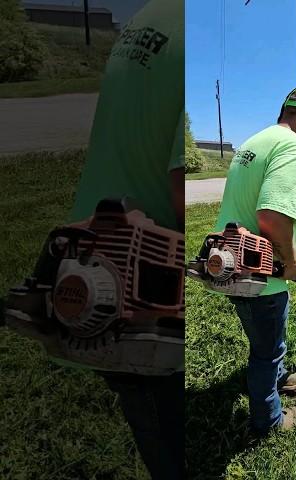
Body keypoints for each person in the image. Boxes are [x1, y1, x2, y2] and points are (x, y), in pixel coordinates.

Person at [66, 0, 185, 478]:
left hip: (91, 258)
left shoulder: (150, 14)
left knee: (148, 417)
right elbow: (182, 182)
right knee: (173, 443)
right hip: (147, 290)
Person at [215, 85, 296, 435]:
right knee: (266, 351)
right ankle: (268, 420)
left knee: (264, 338)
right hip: (260, 275)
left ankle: (278, 376)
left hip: (230, 262)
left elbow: (272, 209)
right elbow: (272, 216)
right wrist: (293, 264)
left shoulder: (255, 142)